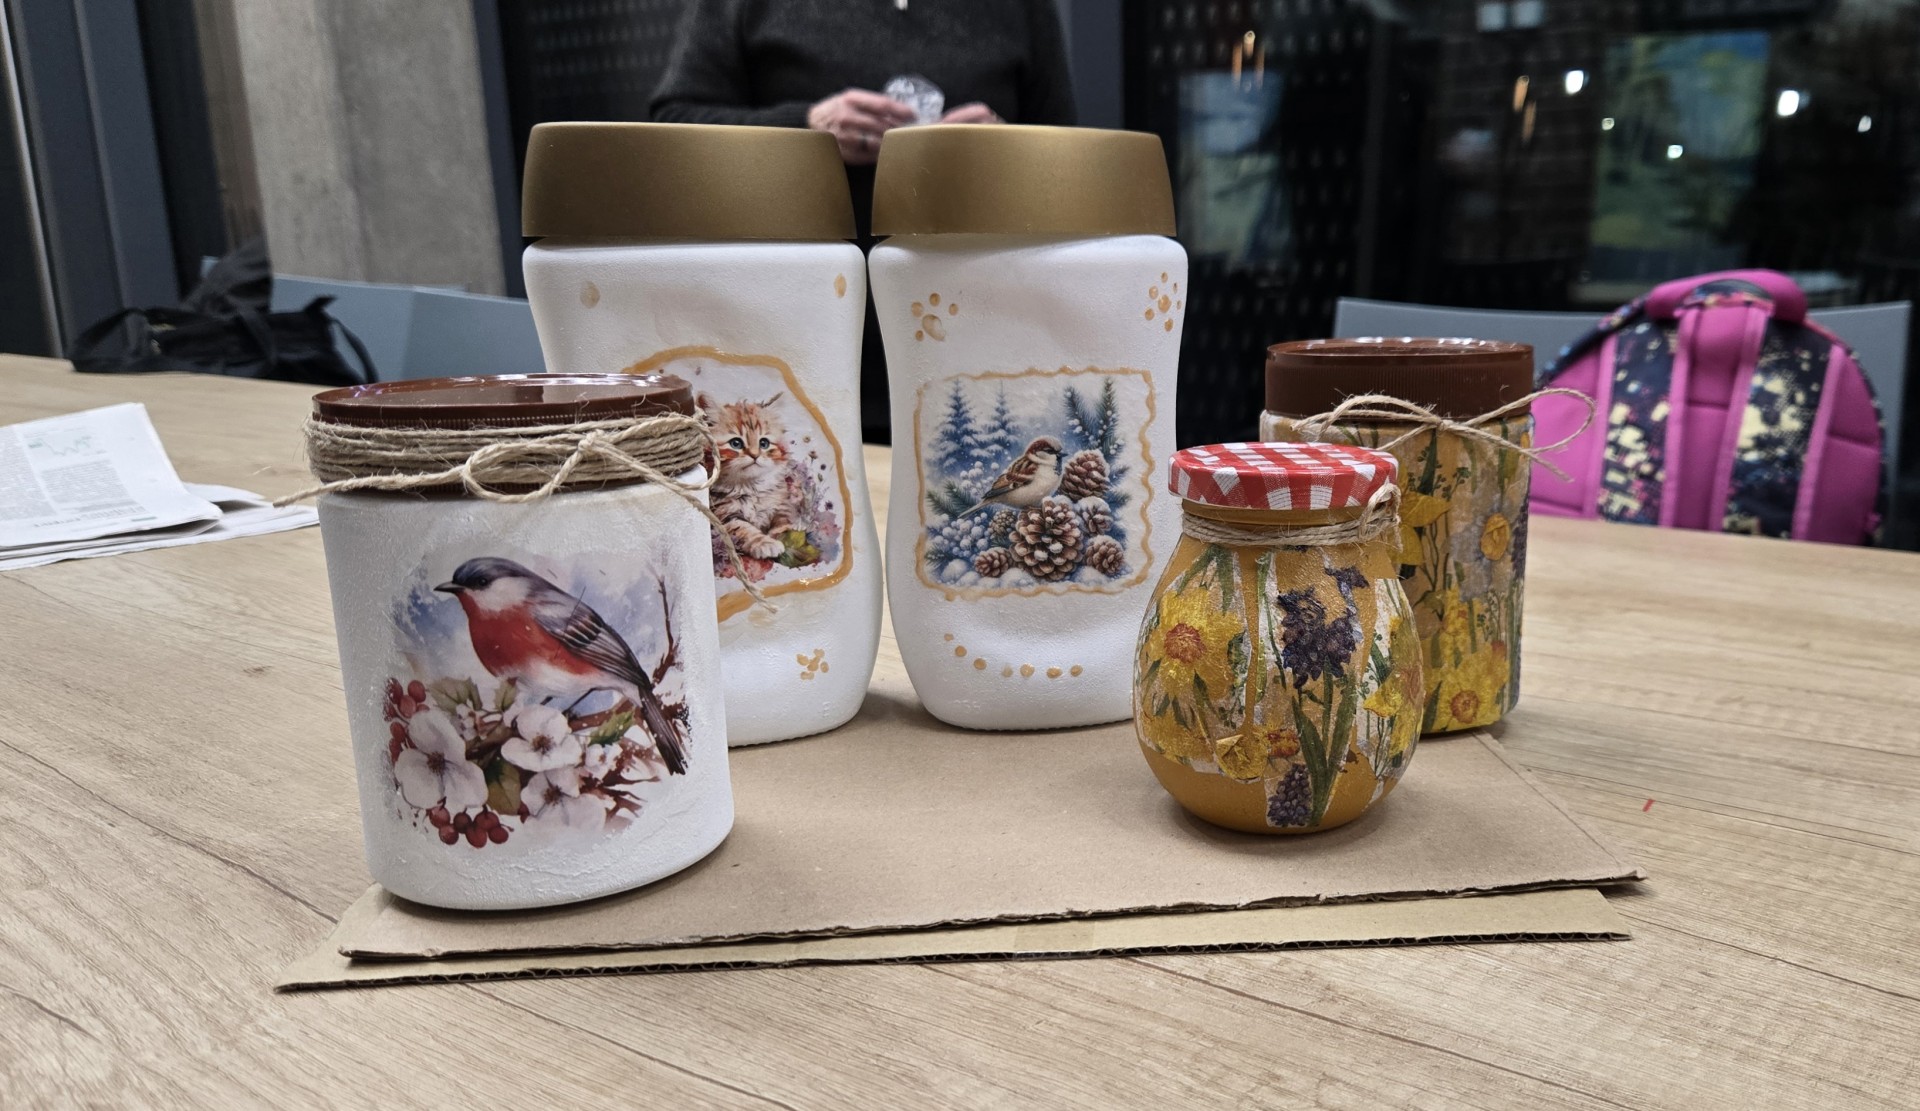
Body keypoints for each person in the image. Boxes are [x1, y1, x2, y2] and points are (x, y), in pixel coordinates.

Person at [651, 0, 1079, 441]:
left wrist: (1005, 148)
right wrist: (806, 128)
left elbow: (1065, 162)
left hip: (983, 345)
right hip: (791, 348)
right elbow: (675, 129)